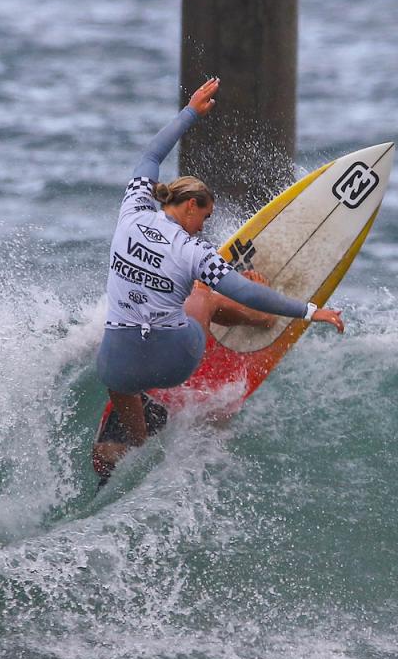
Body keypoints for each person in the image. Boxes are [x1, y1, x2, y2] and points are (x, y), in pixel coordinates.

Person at [94, 77, 344, 476]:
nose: (203, 228)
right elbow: (247, 290)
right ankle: (257, 325)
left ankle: (129, 446)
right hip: (174, 362)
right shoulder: (191, 251)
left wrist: (191, 111)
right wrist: (310, 311)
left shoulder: (132, 210)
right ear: (191, 205)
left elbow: (150, 155)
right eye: (205, 217)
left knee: (119, 378)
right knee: (203, 295)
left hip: (116, 364)